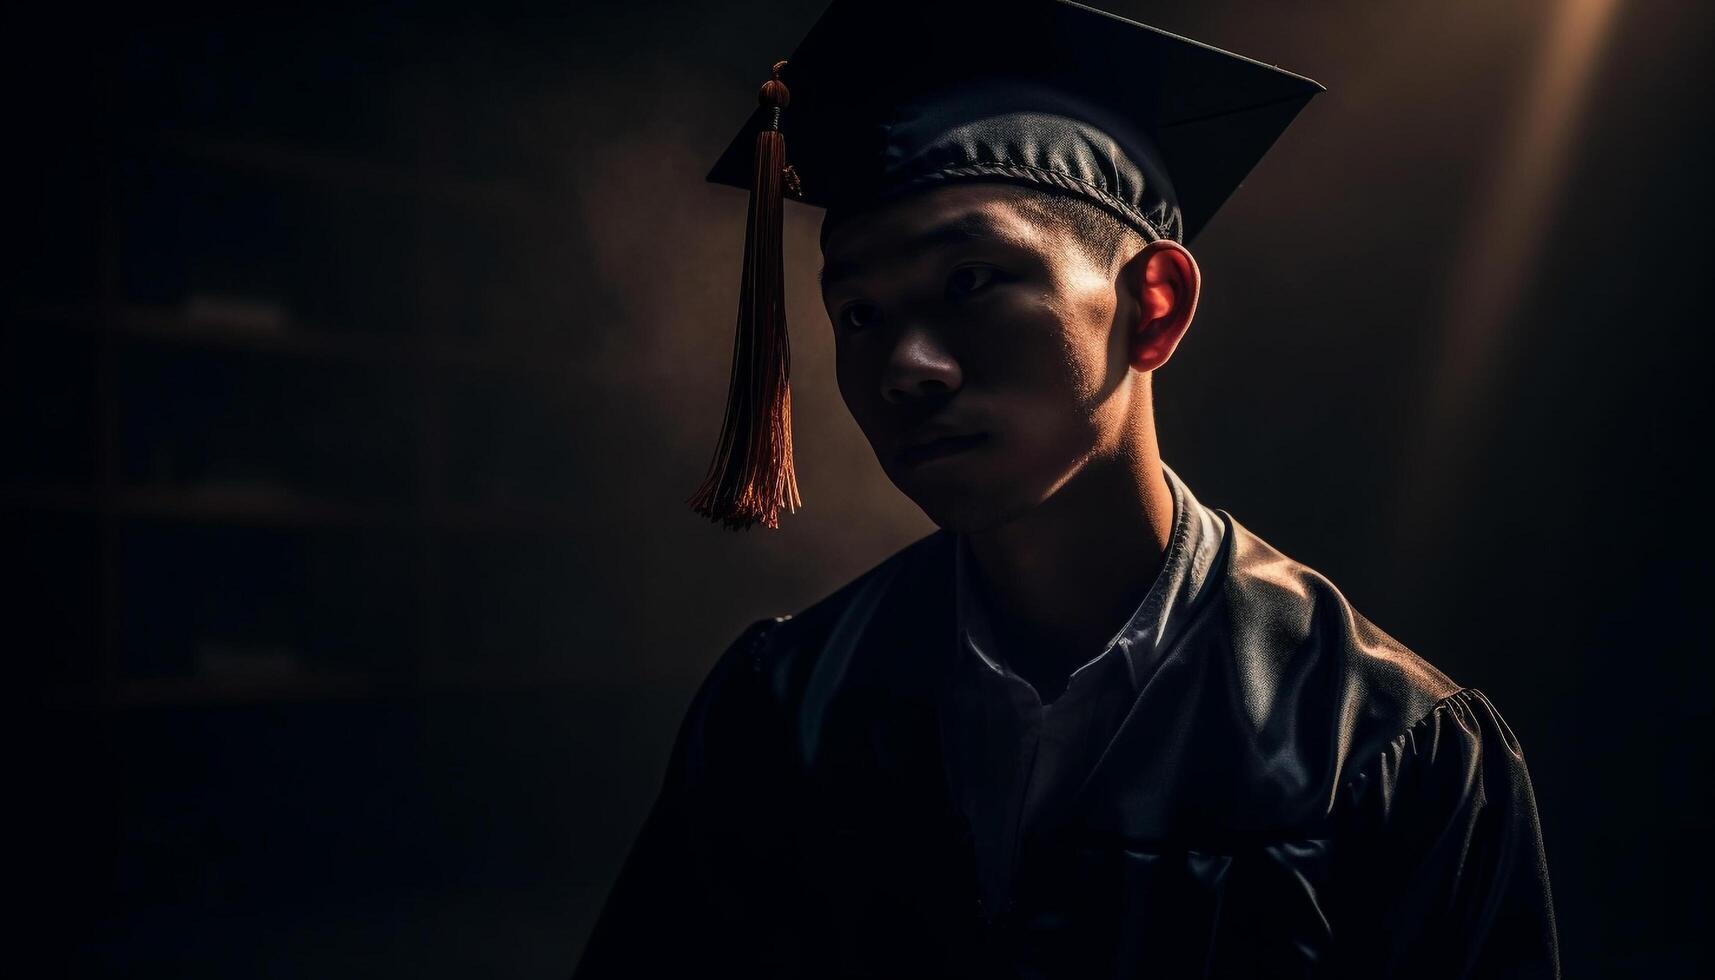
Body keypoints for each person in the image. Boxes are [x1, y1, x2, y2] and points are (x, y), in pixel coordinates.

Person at [575, 1, 1560, 976]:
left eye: (970, 281)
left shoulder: (1387, 743)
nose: (904, 366)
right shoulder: (784, 708)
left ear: (1151, 306)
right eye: (860, 312)